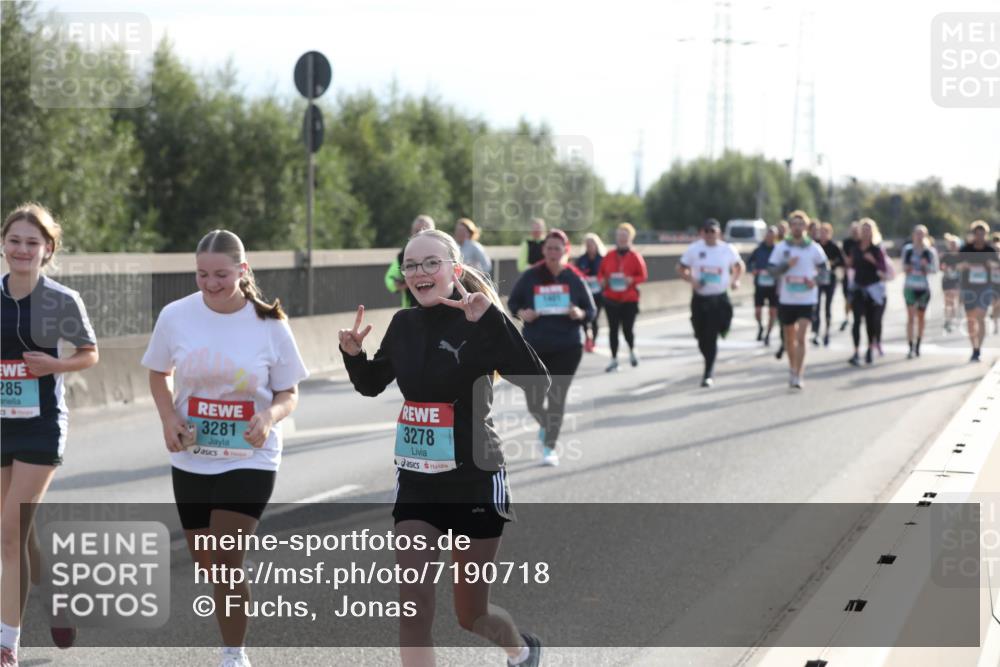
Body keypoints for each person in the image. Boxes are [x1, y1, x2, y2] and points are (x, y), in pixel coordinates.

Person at [339, 228, 547, 667]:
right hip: (418, 481)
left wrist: (491, 319)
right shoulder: (404, 324)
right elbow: (372, 384)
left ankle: (521, 650)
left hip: (475, 479)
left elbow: (536, 380)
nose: (420, 272)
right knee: (413, 602)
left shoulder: (480, 319)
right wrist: (353, 354)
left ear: (455, 269)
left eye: (431, 263)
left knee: (470, 614)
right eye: (411, 265)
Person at [142, 230, 308, 667]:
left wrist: (269, 417)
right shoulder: (176, 315)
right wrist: (168, 418)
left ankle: (234, 654)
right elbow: (158, 373)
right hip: (192, 453)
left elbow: (288, 392)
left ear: (242, 270)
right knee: (206, 561)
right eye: (201, 274)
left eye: (220, 274)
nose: (210, 283)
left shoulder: (269, 323)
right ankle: (233, 619)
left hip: (250, 453)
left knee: (226, 555)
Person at [1, 203, 99, 667]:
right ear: (4, 244)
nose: (22, 249)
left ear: (48, 250)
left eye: (31, 242)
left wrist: (54, 365)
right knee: (15, 530)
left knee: (7, 533)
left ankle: (7, 644)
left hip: (41, 424)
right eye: (14, 240)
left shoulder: (62, 299)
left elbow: (89, 354)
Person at [509, 230, 595, 465]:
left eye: (558, 248)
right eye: (549, 248)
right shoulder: (530, 277)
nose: (553, 253)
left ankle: (549, 447)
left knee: (557, 398)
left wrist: (580, 313)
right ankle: (547, 426)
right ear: (543, 251)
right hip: (536, 347)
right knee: (534, 401)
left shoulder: (574, 278)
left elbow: (591, 310)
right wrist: (522, 313)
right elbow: (513, 303)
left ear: (565, 251)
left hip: (568, 346)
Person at [678, 219, 744, 387]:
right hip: (700, 298)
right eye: (706, 231)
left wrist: (736, 281)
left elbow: (739, 266)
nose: (709, 235)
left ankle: (708, 372)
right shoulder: (695, 249)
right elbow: (681, 268)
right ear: (702, 233)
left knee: (712, 334)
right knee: (701, 336)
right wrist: (691, 280)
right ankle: (707, 357)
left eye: (712, 231)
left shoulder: (727, 249)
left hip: (719, 297)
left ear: (718, 233)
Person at [768, 211, 829, 389]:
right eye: (794, 224)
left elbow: (826, 271)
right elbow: (771, 271)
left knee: (802, 337)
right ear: (790, 227)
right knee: (789, 338)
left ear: (806, 227)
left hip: (807, 299)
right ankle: (792, 369)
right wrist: (787, 265)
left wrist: (815, 281)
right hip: (787, 299)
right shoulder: (781, 248)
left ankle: (799, 374)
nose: (797, 227)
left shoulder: (814, 248)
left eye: (801, 224)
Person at [598, 223, 648, 372]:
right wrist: (602, 280)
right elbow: (600, 273)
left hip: (629, 299)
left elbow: (643, 276)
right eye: (619, 236)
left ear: (630, 238)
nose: (621, 239)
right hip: (611, 298)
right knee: (613, 330)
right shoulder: (609, 256)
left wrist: (632, 279)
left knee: (627, 329)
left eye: (624, 236)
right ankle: (614, 359)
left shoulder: (635, 256)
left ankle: (632, 350)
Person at [847, 218, 893, 366]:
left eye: (868, 230)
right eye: (863, 229)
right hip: (858, 288)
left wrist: (872, 260)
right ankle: (855, 352)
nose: (866, 232)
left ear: (872, 232)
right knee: (855, 321)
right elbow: (852, 267)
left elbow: (884, 269)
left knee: (870, 322)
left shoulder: (877, 249)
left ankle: (869, 349)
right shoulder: (855, 248)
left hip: (873, 289)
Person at [957, 220, 999, 362]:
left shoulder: (990, 250)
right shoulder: (965, 249)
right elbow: (956, 266)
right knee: (970, 320)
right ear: (973, 234)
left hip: (985, 287)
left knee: (980, 316)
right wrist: (965, 265)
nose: (980, 236)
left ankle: (978, 349)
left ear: (986, 235)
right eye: (977, 233)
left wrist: (989, 265)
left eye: (983, 234)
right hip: (968, 287)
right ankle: (973, 347)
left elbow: (997, 266)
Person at [901, 225, 939, 359]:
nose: (919, 236)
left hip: (924, 288)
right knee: (910, 317)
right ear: (913, 236)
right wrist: (908, 267)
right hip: (910, 287)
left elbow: (935, 269)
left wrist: (925, 267)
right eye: (917, 234)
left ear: (926, 236)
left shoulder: (930, 251)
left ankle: (918, 344)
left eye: (922, 234)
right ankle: (910, 346)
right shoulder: (908, 250)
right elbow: (903, 267)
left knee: (921, 317)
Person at [385, 215, 436, 308]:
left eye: (426, 230)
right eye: (417, 231)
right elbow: (389, 278)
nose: (421, 233)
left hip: (438, 307)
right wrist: (401, 285)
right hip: (411, 309)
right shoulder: (403, 255)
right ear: (411, 232)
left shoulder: (441, 252)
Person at [813, 222, 846, 346]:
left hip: (830, 279)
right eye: (821, 232)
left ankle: (827, 333)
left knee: (827, 306)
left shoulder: (834, 246)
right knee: (816, 306)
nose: (822, 235)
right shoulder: (815, 245)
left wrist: (832, 264)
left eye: (825, 232)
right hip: (817, 279)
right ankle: (816, 333)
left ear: (829, 234)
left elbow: (841, 261)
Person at [747, 226, 779, 345]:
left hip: (773, 286)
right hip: (760, 285)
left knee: (772, 312)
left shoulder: (778, 250)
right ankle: (760, 326)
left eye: (773, 236)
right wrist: (753, 270)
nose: (770, 238)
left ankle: (768, 335)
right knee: (758, 311)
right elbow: (749, 263)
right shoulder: (758, 250)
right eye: (768, 235)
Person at [574, 233, 606, 352]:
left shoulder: (603, 259)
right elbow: (576, 274)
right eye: (587, 245)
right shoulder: (581, 259)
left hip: (599, 293)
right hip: (585, 294)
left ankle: (593, 341)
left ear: (597, 245)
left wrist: (602, 280)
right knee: (584, 318)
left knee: (595, 319)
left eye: (592, 244)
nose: (590, 247)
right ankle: (587, 337)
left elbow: (607, 274)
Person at [840, 221, 861, 332]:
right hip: (848, 274)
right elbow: (844, 256)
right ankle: (847, 317)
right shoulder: (847, 242)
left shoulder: (862, 242)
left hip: (859, 274)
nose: (854, 232)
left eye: (856, 230)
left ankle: (857, 316)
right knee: (847, 297)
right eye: (853, 230)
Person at [940, 233, 962, 333]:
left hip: (956, 281)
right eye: (951, 244)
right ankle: (947, 319)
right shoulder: (946, 255)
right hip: (946, 280)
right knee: (947, 302)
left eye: (955, 244)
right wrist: (944, 268)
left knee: (952, 301)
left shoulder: (961, 256)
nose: (953, 246)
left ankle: (951, 320)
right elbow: (940, 266)